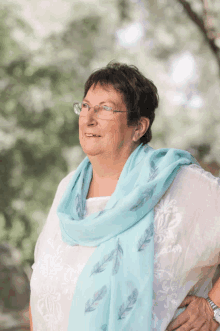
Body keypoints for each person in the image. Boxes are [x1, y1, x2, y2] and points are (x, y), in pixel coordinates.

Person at [29, 62, 220, 331]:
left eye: (105, 108)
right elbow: (41, 281)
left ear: (139, 127)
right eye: (85, 106)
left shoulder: (177, 183)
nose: (89, 118)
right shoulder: (68, 189)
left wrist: (213, 308)